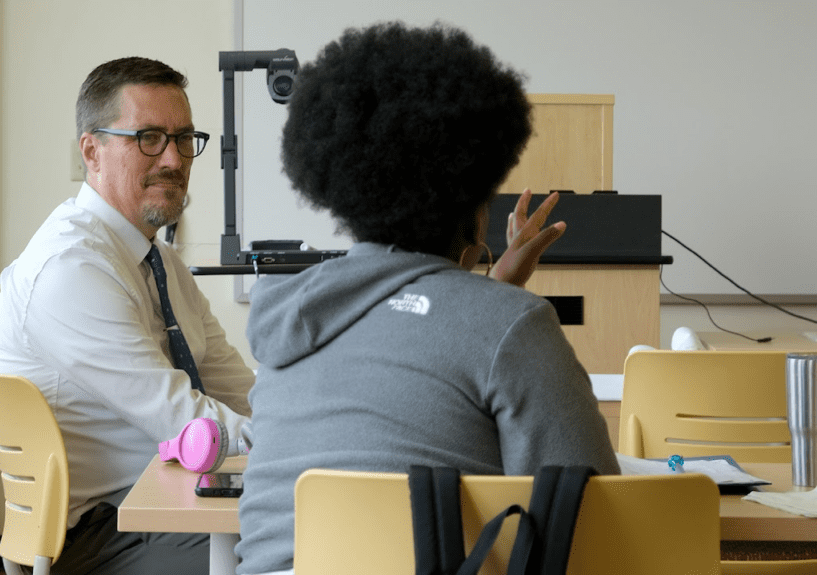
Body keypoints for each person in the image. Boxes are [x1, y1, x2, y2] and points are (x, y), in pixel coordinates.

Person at [235, 22, 620, 575]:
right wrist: (497, 303)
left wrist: (490, 295)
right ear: (475, 202)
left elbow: (409, 325)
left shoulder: (289, 321)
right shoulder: (513, 327)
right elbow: (594, 522)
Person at [0, 56, 254, 575]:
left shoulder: (160, 263)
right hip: (103, 539)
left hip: (169, 508)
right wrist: (310, 446)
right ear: (92, 151)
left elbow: (234, 387)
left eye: (183, 139)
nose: (173, 159)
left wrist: (313, 418)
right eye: (149, 137)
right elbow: (184, 417)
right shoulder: (70, 270)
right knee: (306, 549)